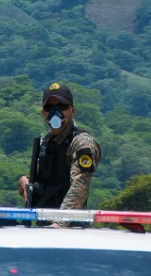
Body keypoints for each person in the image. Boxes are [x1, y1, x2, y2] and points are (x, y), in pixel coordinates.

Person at [17, 82, 101, 210]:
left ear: (72, 110)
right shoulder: (46, 142)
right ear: (43, 113)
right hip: (43, 222)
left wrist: (60, 223)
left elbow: (79, 188)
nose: (54, 112)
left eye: (61, 106)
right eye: (49, 107)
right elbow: (48, 181)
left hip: (69, 226)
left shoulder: (81, 142)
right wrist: (26, 182)